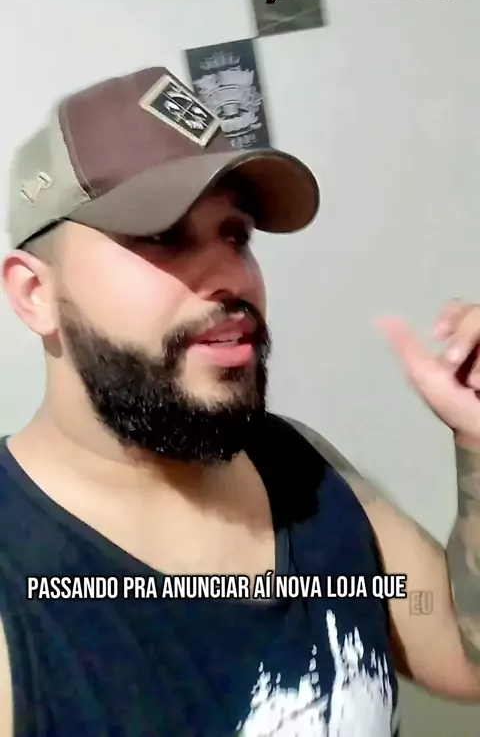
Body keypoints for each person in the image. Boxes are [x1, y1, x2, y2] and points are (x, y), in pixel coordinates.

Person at [0, 65, 479, 737]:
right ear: (34, 294)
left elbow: (466, 650)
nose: (232, 277)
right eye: (163, 236)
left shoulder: (299, 467)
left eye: (236, 236)